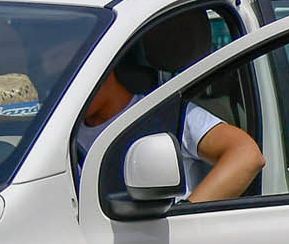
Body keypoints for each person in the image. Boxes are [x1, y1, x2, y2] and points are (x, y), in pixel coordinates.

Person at [75, 71, 263, 204]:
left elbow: (246, 154)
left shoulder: (165, 115)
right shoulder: (65, 134)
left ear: (103, 72)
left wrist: (187, 214)